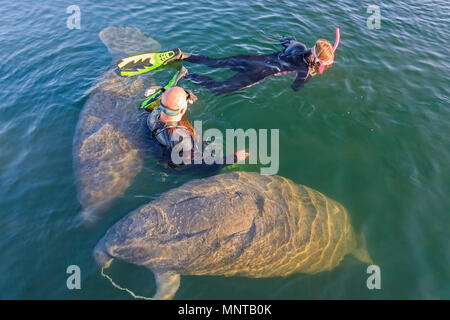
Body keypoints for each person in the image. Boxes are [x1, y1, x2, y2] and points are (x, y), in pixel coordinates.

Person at [117, 29, 340, 95]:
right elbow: (295, 88)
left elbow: (284, 39)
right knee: (220, 89)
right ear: (321, 62)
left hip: (254, 58)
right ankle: (188, 74)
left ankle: (184, 55)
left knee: (215, 62)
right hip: (261, 72)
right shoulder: (305, 71)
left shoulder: (298, 45)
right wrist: (313, 72)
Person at [144, 74, 247, 169]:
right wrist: (235, 157)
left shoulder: (153, 116)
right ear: (182, 110)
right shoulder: (181, 138)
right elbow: (206, 165)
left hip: (163, 153)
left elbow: (170, 103)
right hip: (182, 166)